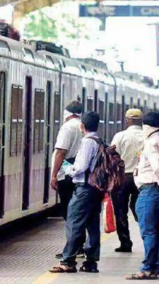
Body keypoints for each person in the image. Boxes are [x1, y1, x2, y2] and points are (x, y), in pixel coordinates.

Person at [50, 112, 103, 274]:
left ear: (82, 126)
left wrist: (66, 168)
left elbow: (80, 168)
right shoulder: (99, 141)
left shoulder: (87, 142)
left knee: (74, 223)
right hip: (95, 190)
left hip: (84, 189)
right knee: (93, 225)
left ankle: (68, 261)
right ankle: (91, 261)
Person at [127, 112, 159, 280]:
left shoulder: (151, 143)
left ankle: (148, 267)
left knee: (149, 230)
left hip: (152, 190)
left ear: (145, 126)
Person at [51, 100, 85, 259]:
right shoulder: (83, 126)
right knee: (77, 211)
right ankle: (78, 245)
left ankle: (73, 247)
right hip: (80, 171)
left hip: (67, 171)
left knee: (69, 212)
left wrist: (54, 174)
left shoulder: (68, 127)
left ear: (68, 113)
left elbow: (60, 153)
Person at [110, 109, 144, 253]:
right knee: (141, 209)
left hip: (122, 177)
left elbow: (111, 153)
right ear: (141, 121)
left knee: (120, 210)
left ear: (126, 120)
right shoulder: (147, 136)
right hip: (141, 178)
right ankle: (147, 236)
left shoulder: (120, 136)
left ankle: (125, 242)